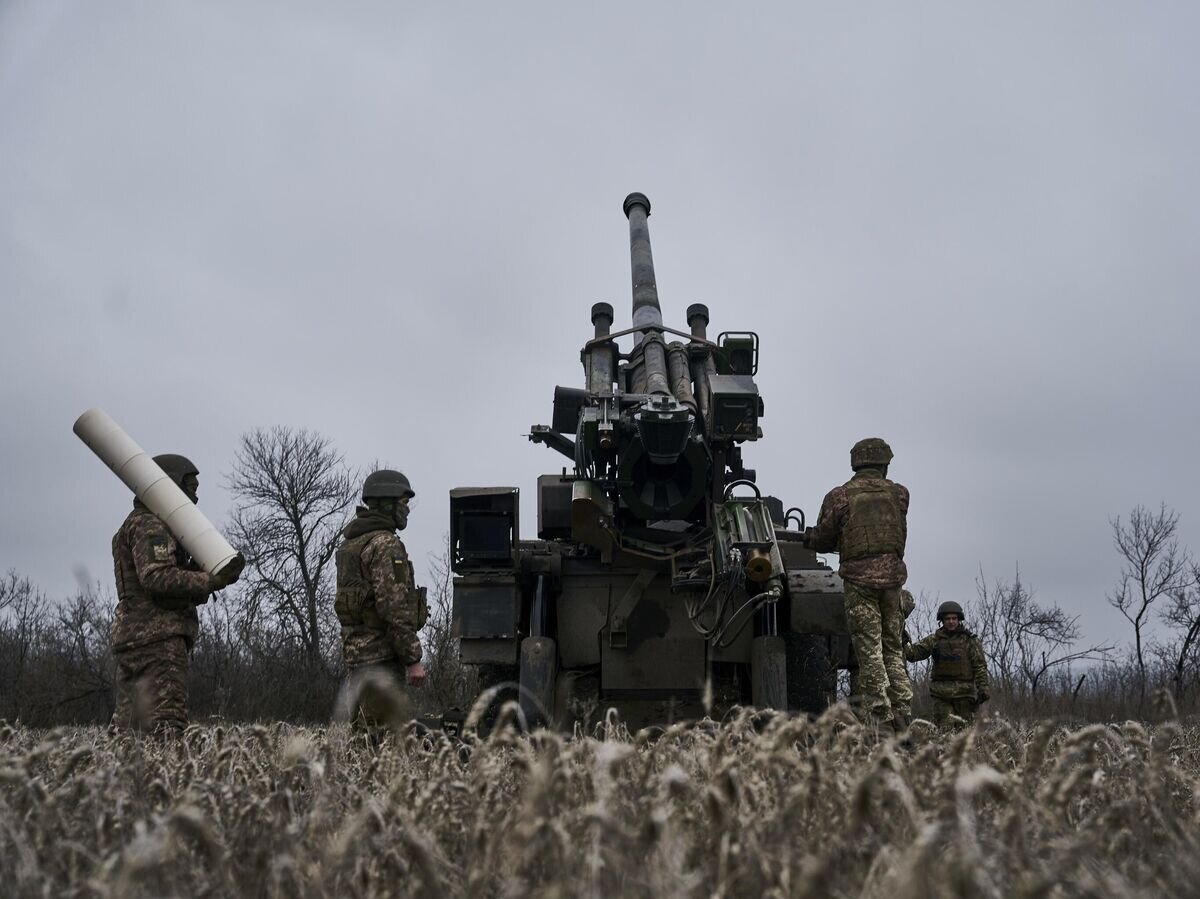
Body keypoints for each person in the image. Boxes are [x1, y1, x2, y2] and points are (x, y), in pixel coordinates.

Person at [110, 454, 240, 735]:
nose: (194, 498)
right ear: (171, 486)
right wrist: (210, 579)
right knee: (166, 726)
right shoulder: (151, 525)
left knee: (128, 731)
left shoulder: (136, 523)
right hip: (158, 642)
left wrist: (197, 572)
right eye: (190, 488)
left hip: (136, 639)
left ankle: (119, 779)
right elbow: (157, 578)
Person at [804, 437, 912, 729]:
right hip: (893, 579)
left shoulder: (840, 496)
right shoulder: (900, 494)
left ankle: (881, 716)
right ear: (884, 463)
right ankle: (904, 708)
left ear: (856, 463)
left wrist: (810, 538)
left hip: (859, 581)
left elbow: (824, 538)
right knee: (892, 648)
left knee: (870, 651)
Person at [334, 469, 429, 730]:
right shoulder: (385, 545)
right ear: (387, 504)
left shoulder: (351, 545)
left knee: (363, 738)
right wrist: (412, 659)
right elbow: (394, 607)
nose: (407, 510)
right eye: (403, 503)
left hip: (357, 658)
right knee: (381, 743)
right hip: (382, 660)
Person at [905, 600, 990, 725]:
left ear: (959, 619)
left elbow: (979, 666)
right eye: (948, 619)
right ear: (942, 620)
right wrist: (901, 640)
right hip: (941, 695)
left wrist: (983, 687)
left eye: (954, 618)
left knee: (965, 734)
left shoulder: (970, 641)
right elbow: (913, 654)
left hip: (964, 695)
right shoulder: (934, 640)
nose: (951, 622)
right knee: (945, 731)